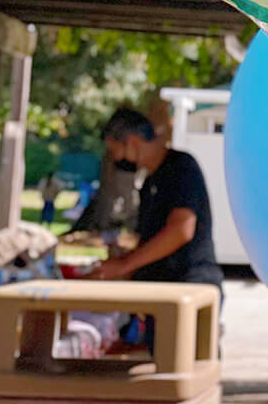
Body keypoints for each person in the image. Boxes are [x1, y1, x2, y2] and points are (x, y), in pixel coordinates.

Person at [90, 107, 223, 315]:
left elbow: (181, 230)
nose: (116, 160)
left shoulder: (181, 168)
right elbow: (154, 239)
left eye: (116, 151)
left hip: (188, 286)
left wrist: (126, 264)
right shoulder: (150, 182)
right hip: (162, 288)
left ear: (133, 142)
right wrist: (129, 256)